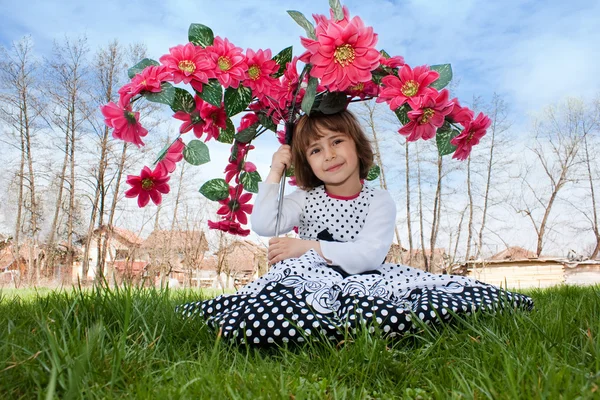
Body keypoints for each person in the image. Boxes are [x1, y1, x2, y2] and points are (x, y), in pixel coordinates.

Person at [179, 110, 533, 346]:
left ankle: (332, 327)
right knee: (272, 304)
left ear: (357, 146)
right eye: (315, 150)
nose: (329, 155)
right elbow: (263, 223)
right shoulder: (304, 198)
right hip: (308, 277)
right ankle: (299, 326)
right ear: (307, 162)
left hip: (367, 273)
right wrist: (275, 172)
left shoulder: (378, 200)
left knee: (395, 302)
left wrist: (309, 247)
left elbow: (369, 254)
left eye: (336, 142)